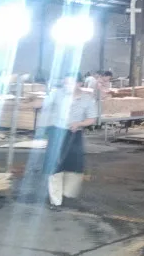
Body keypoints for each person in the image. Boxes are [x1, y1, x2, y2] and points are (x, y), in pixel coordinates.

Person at [39, 73, 98, 210]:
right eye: (65, 83)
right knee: (55, 167)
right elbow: (43, 104)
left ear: (79, 84)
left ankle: (67, 193)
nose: (67, 86)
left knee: (75, 167)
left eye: (70, 83)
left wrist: (79, 123)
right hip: (56, 133)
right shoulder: (57, 94)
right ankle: (56, 201)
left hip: (74, 135)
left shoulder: (87, 99)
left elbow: (92, 119)